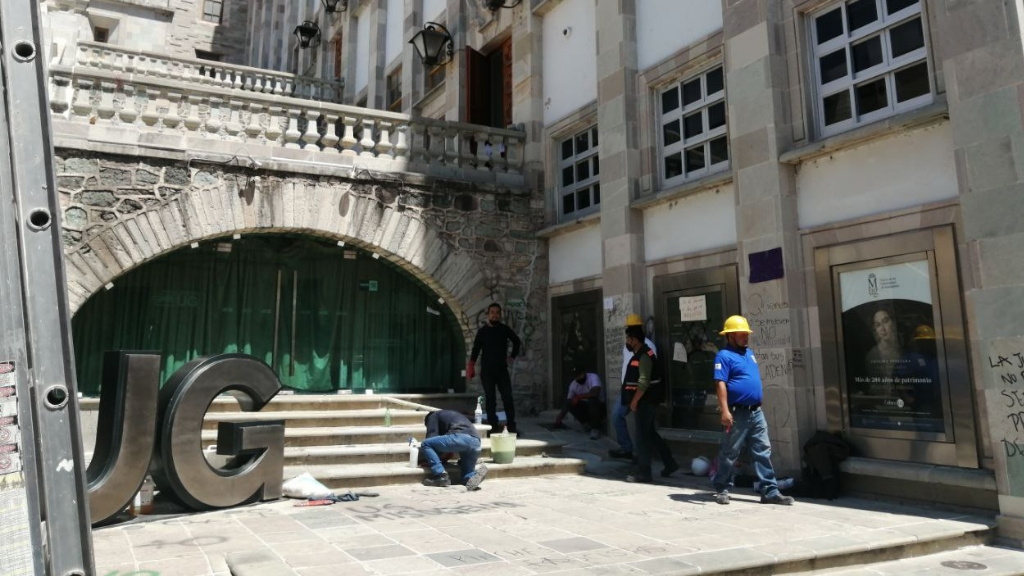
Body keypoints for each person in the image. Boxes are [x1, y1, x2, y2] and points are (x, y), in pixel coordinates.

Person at [711, 315, 794, 506]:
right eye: (741, 334)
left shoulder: (749, 353)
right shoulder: (723, 356)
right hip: (737, 413)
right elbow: (720, 383)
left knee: (762, 450)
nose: (745, 337)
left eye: (746, 334)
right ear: (730, 336)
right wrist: (725, 411)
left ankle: (769, 491)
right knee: (729, 452)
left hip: (756, 412)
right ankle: (722, 487)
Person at [623, 325, 679, 483]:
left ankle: (644, 472)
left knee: (642, 438)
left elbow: (643, 381)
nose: (627, 342)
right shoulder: (641, 354)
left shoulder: (644, 356)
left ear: (634, 340)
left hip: (645, 402)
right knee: (651, 434)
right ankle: (670, 463)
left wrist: (634, 401)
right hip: (646, 401)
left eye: (628, 339)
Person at [467, 303, 522, 435]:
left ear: (500, 315)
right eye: (492, 312)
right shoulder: (482, 331)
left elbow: (517, 341)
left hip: (502, 370)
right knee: (490, 399)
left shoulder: (504, 329)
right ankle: (492, 425)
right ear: (488, 314)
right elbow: (475, 349)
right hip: (487, 371)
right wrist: (471, 365)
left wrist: (512, 356)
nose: (495, 314)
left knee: (507, 397)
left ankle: (512, 426)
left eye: (497, 312)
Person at [610, 314, 657, 460]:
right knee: (645, 429)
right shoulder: (629, 347)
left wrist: (636, 399)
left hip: (639, 394)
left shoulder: (647, 348)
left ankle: (637, 456)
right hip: (628, 391)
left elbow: (645, 377)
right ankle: (666, 461)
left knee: (640, 427)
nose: (627, 339)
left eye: (629, 332)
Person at [419, 410, 489, 490]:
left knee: (426, 443)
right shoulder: (450, 415)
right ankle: (471, 478)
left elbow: (431, 436)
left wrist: (430, 460)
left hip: (461, 438)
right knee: (466, 474)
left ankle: (440, 476)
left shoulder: (432, 416)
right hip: (476, 442)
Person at [554, 366, 605, 440]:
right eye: (577, 376)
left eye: (581, 375)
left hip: (600, 407)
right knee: (569, 403)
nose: (579, 378)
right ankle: (586, 424)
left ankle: (595, 428)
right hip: (587, 409)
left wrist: (579, 397)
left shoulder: (593, 377)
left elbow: (595, 393)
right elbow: (568, 402)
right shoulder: (573, 385)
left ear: (585, 373)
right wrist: (559, 418)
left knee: (592, 400)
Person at [865, 308, 903, 378]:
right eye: (878, 325)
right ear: (875, 329)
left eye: (885, 321)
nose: (883, 329)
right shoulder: (873, 355)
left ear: (892, 323)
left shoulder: (902, 348)